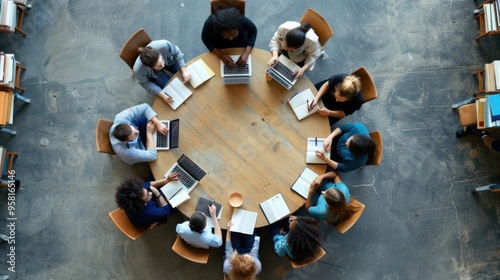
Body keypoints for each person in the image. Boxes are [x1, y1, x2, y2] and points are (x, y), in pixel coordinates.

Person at [134, 40, 191, 104]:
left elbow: (177, 53)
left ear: (159, 53)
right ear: (148, 67)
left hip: (169, 61)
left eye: (161, 61)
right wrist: (162, 94)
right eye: (159, 66)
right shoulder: (138, 70)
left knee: (186, 75)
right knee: (170, 91)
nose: (163, 65)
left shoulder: (164, 45)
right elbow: (145, 83)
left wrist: (184, 70)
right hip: (156, 74)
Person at [114, 173, 179, 226]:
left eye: (147, 192)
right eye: (147, 196)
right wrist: (157, 193)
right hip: (152, 215)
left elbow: (148, 185)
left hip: (142, 209)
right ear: (140, 203)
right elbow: (166, 211)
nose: (150, 193)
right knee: (178, 204)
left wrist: (166, 180)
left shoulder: (135, 194)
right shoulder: (149, 212)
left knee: (153, 178)